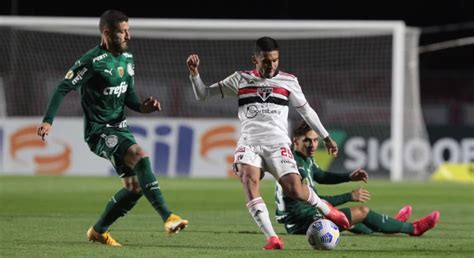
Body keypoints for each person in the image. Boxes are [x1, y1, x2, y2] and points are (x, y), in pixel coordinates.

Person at [37, 10, 188, 247]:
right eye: (122, 31)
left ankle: (98, 231)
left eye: (129, 30)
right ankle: (168, 216)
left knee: (134, 188)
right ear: (107, 34)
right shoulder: (91, 61)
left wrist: (143, 107)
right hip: (99, 132)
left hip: (120, 129)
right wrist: (48, 120)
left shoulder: (127, 59)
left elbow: (129, 96)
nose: (128, 35)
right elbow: (63, 87)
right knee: (140, 155)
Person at [186, 36, 350, 250]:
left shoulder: (289, 81)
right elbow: (203, 94)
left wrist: (326, 137)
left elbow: (306, 112)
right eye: (266, 61)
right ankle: (272, 238)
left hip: (277, 144)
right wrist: (195, 74)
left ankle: (326, 208)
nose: (271, 65)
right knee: (249, 181)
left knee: (295, 190)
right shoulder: (240, 79)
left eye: (274, 60)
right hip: (249, 144)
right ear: (255, 60)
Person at [275, 121, 440, 236]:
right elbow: (312, 199)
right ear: (295, 141)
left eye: (315, 140)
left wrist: (348, 177)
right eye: (307, 141)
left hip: (305, 217)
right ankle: (414, 228)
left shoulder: (303, 159)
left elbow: (322, 176)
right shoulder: (296, 165)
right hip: (303, 223)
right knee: (363, 212)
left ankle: (393, 225)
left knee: (355, 223)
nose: (312, 145)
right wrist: (349, 196)